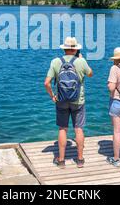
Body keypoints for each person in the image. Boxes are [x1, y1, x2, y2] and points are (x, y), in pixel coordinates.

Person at [44, 37, 93, 169]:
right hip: (78, 100)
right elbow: (90, 74)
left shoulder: (55, 62)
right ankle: (80, 160)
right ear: (76, 49)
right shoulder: (81, 61)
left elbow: (46, 83)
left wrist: (52, 96)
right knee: (78, 129)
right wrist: (82, 60)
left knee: (62, 129)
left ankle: (61, 160)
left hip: (61, 100)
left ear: (64, 48)